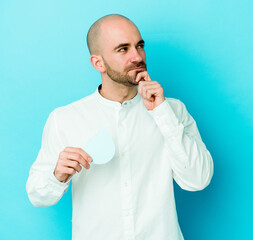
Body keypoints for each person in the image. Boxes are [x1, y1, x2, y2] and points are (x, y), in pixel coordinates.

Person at [26, 14, 214, 240]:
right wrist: (57, 175)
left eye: (139, 46)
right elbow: (38, 195)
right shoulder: (65, 119)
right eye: (123, 49)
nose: (137, 57)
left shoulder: (173, 111)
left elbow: (198, 179)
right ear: (98, 63)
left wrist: (162, 113)